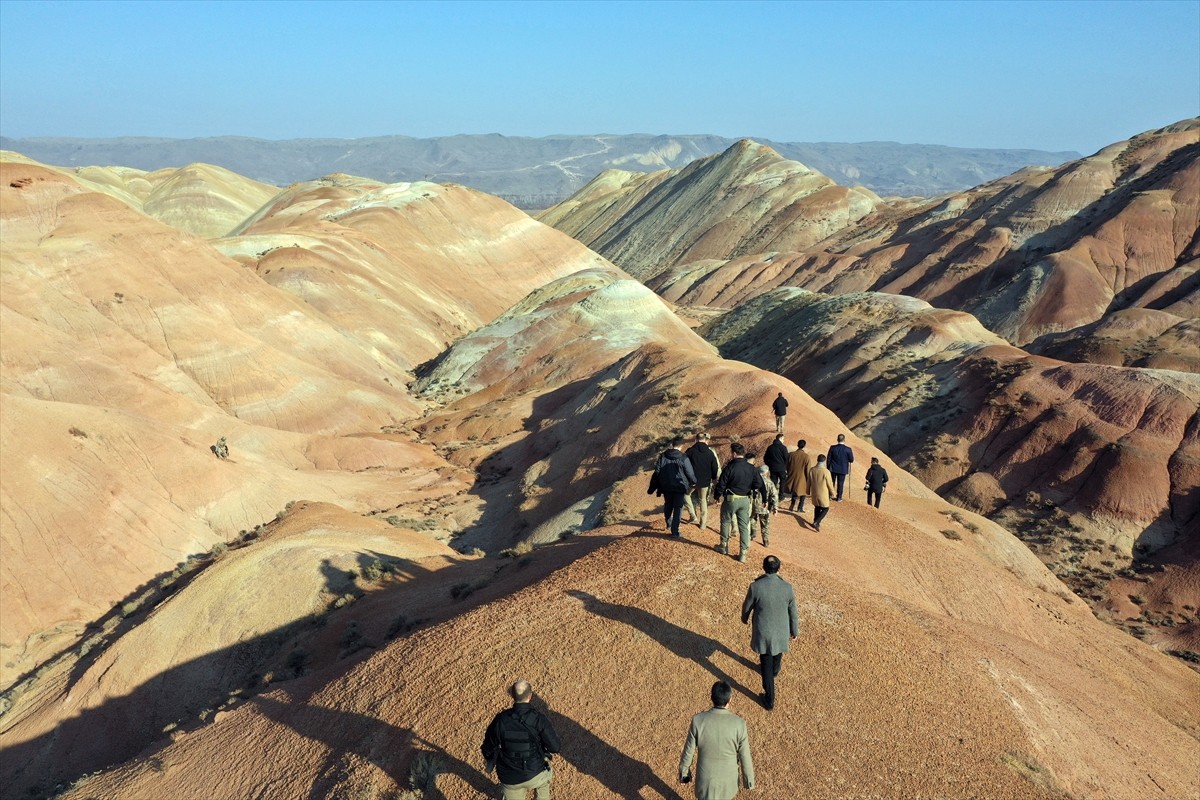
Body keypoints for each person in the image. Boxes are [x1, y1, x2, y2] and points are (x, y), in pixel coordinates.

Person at [481, 680, 562, 800]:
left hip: (510, 778)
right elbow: (555, 748)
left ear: (512, 696)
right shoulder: (539, 719)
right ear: (530, 696)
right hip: (536, 772)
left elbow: (487, 747)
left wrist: (490, 758)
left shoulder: (500, 720)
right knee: (544, 781)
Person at [678, 681, 755, 798]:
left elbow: (689, 750)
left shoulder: (698, 720)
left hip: (705, 781)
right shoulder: (739, 724)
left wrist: (684, 773)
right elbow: (745, 755)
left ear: (711, 698)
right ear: (730, 700)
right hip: (728, 783)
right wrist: (748, 780)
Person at [741, 555, 799, 710]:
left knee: (765, 661)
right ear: (778, 568)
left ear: (763, 567)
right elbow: (793, 612)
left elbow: (747, 606)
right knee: (777, 653)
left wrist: (744, 618)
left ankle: (769, 699)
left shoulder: (756, 586)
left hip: (764, 633)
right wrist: (795, 630)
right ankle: (774, 671)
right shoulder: (787, 588)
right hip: (781, 632)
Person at [714, 442, 767, 562]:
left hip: (731, 500)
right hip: (745, 501)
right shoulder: (751, 468)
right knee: (744, 526)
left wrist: (717, 496)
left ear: (733, 453)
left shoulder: (729, 467)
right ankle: (743, 554)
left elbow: (721, 484)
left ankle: (723, 547)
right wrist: (761, 496)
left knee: (726, 522)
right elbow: (759, 484)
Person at [656, 437, 697, 538]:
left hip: (666, 486)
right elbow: (689, 472)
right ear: (681, 446)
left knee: (668, 504)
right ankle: (675, 531)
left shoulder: (663, 456)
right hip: (680, 486)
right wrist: (694, 482)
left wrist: (660, 482)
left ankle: (669, 523)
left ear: (672, 445)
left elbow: (657, 470)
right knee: (678, 508)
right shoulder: (683, 457)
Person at [684, 432, 721, 530]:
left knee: (686, 495)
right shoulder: (710, 452)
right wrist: (713, 477)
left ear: (695, 440)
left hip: (692, 480)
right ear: (705, 440)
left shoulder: (690, 451)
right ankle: (703, 524)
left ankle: (693, 515)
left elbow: (683, 464)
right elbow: (715, 467)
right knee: (703, 500)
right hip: (705, 481)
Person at [749, 463, 778, 547]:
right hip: (764, 507)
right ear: (766, 472)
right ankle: (765, 540)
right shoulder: (769, 483)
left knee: (752, 519)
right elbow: (774, 495)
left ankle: (753, 532)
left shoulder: (753, 480)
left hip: (753, 505)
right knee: (765, 524)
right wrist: (775, 508)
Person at [783, 439, 812, 513]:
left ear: (797, 445)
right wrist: (808, 479)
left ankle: (792, 505)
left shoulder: (791, 454)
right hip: (802, 477)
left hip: (792, 475)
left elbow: (786, 465)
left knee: (794, 491)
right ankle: (800, 507)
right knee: (803, 492)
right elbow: (808, 469)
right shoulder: (806, 457)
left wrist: (789, 472)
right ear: (804, 446)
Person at [808, 454, 835, 532]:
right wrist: (833, 492)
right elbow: (830, 483)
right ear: (824, 461)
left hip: (814, 492)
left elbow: (808, 481)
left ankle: (815, 521)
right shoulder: (826, 471)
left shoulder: (812, 469)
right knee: (825, 508)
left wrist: (807, 490)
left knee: (817, 507)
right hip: (823, 493)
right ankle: (817, 522)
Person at [826, 434, 855, 502]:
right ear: (844, 440)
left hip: (832, 468)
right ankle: (839, 497)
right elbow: (851, 460)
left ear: (837, 439)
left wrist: (828, 467)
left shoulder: (832, 448)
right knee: (840, 483)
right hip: (843, 469)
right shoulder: (848, 449)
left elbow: (828, 458)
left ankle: (830, 495)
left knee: (831, 482)